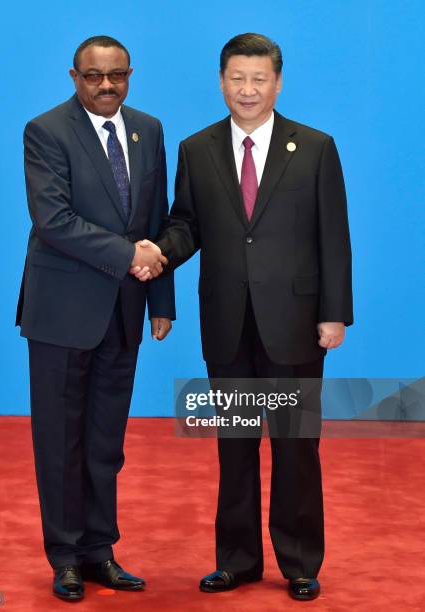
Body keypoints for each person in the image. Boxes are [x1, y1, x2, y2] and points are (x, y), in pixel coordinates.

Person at [134, 32, 353, 601]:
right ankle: (236, 561)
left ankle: (300, 562)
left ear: (277, 83)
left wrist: (335, 314)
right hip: (227, 322)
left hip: (297, 324)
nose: (248, 89)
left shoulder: (315, 147)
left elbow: (334, 236)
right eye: (237, 78)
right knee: (234, 446)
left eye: (259, 79)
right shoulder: (197, 149)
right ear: (221, 81)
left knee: (295, 448)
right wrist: (160, 251)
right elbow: (186, 225)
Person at [15, 35, 175, 602]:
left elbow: (155, 217)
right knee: (60, 440)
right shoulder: (46, 131)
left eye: (116, 75)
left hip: (126, 313)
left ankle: (101, 550)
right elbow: (54, 220)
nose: (106, 85)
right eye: (93, 76)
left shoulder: (149, 130)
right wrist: (130, 255)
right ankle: (65, 557)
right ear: (73, 76)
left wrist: (161, 301)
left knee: (106, 441)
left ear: (130, 74)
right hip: (61, 314)